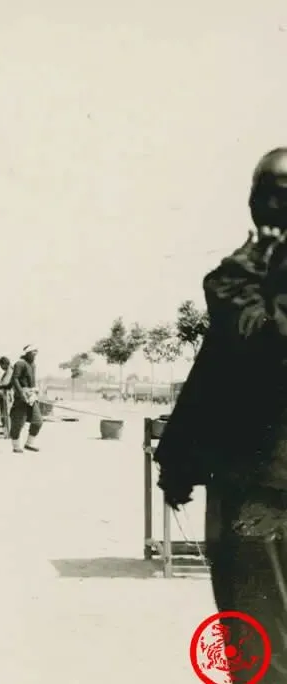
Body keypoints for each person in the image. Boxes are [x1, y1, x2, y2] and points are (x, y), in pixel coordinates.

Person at [155, 148, 287, 683]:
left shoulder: (249, 277)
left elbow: (249, 340)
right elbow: (215, 367)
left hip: (262, 487)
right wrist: (179, 460)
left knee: (261, 649)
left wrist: (258, 258)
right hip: (252, 484)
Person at [9, 345, 42, 453]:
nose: (35, 356)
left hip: (31, 396)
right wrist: (21, 393)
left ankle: (29, 444)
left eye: (36, 353)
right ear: (27, 353)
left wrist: (35, 391)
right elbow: (14, 379)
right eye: (33, 353)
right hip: (21, 397)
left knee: (37, 421)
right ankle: (16, 446)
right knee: (18, 422)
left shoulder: (33, 365)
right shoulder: (20, 364)